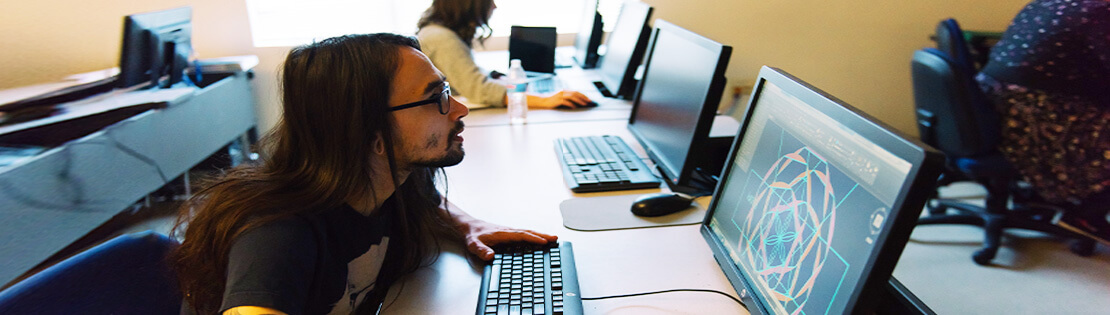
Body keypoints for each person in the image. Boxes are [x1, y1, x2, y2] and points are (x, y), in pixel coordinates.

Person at [170, 33, 558, 315]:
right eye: (437, 97)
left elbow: (428, 197)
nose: (459, 109)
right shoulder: (278, 232)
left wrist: (467, 224)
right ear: (371, 135)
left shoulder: (392, 176)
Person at [976, 0, 1110, 243]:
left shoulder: (1045, 3)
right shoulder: (1099, 11)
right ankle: (1087, 213)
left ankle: (1050, 196)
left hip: (994, 112)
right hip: (1038, 121)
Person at [416, 0, 593, 109]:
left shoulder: (437, 32)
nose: (494, 6)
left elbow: (464, 72)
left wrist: (495, 76)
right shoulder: (442, 38)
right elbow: (479, 90)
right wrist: (546, 100)